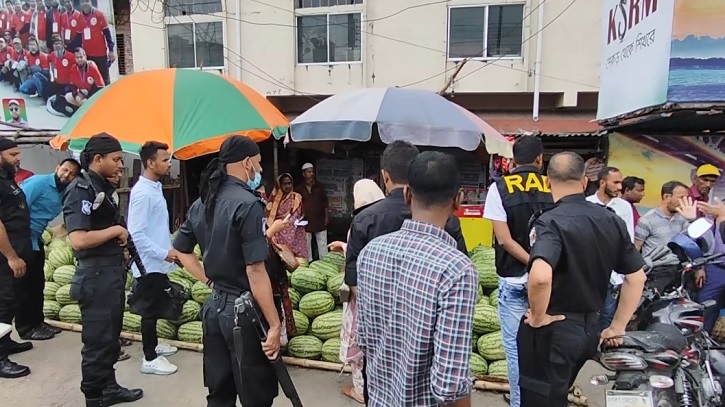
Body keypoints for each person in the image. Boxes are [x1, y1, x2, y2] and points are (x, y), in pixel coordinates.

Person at [517, 152, 647, 407]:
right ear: (585, 181)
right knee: (561, 394)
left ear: (547, 182)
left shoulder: (550, 222)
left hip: (554, 330)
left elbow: (541, 276)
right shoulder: (611, 219)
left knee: (540, 401)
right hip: (590, 328)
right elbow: (636, 276)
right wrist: (618, 326)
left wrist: (538, 315)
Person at [344, 141, 468, 403]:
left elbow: (365, 338)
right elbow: (449, 384)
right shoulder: (458, 270)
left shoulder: (370, 254)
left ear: (408, 195)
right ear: (458, 200)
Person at [173, 135, 286, 407]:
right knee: (255, 394)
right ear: (246, 162)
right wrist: (274, 324)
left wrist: (209, 282)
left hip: (215, 309)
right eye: (258, 164)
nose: (259, 171)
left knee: (219, 392)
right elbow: (255, 270)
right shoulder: (247, 205)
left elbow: (181, 250)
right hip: (245, 314)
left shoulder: (202, 203)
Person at [61, 133, 143, 407]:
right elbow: (79, 239)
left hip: (109, 275)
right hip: (95, 278)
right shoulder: (80, 189)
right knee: (97, 345)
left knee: (109, 340)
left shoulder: (101, 188)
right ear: (98, 159)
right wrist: (115, 231)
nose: (121, 165)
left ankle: (109, 388)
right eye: (117, 160)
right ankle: (94, 398)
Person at [482, 135, 553, 407]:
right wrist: (541, 264)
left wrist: (531, 261)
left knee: (515, 348)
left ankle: (519, 402)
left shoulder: (499, 188)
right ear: (539, 159)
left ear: (512, 160)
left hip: (513, 276)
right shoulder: (551, 185)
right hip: (548, 279)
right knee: (546, 345)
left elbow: (504, 240)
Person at [329, 178, 385, 404]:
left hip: (362, 295)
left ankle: (360, 391)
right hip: (386, 294)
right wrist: (344, 246)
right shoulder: (391, 218)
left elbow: (355, 261)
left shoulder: (360, 222)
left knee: (360, 348)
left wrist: (345, 249)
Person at [127, 141, 180, 376]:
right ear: (150, 163)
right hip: (149, 263)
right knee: (148, 310)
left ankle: (155, 344)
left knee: (156, 304)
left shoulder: (154, 187)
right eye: (165, 159)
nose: (169, 164)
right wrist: (163, 253)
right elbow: (136, 234)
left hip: (159, 261)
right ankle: (149, 358)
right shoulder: (142, 193)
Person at [17, 157, 80, 341]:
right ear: (57, 167)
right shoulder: (39, 183)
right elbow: (18, 209)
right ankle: (26, 328)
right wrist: (22, 241)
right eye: (65, 170)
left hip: (36, 239)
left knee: (37, 284)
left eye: (72, 174)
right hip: (23, 238)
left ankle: (38, 322)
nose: (66, 175)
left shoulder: (66, 192)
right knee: (25, 287)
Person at [585, 166, 635, 333]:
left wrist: (623, 276)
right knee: (588, 314)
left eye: (620, 182)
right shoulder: (587, 204)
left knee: (607, 315)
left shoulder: (624, 207)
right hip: (589, 272)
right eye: (616, 182)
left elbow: (629, 240)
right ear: (602, 182)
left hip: (613, 274)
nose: (620, 187)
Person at [0, 138, 33, 379]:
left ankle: (7, 340)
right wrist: (11, 256)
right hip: (4, 253)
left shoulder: (6, 177)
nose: (18, 158)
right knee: (3, 303)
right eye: (13, 154)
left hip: (17, 246)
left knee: (12, 300)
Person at [68, 0, 114, 85]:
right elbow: (78, 37)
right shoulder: (79, 17)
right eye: (82, 2)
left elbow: (107, 34)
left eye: (86, 1)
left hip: (101, 54)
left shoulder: (99, 14)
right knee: (91, 80)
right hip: (88, 55)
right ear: (80, 4)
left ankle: (109, 97)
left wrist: (111, 50)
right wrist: (68, 47)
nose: (85, 3)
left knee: (104, 79)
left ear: (90, 2)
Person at [265, 173, 307, 260]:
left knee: (297, 260)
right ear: (280, 185)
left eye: (289, 183)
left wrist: (298, 221)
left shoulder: (297, 197)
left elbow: (302, 213)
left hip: (295, 233)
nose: (288, 186)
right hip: (279, 233)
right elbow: (269, 217)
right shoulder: (274, 200)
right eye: (285, 184)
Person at [295, 162, 329, 261]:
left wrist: (326, 217)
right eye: (309, 172)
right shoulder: (299, 189)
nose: (311, 174)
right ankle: (308, 263)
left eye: (312, 172)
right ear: (304, 174)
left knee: (322, 243)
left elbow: (325, 203)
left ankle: (324, 262)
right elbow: (296, 205)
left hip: (320, 219)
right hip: (305, 220)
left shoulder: (320, 187)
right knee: (306, 244)